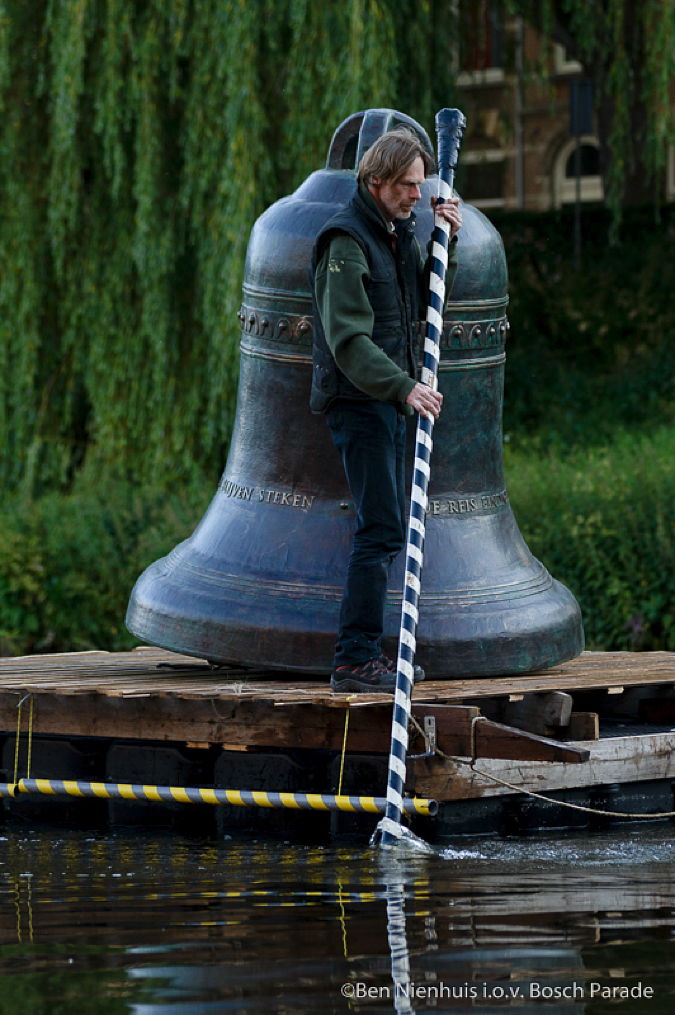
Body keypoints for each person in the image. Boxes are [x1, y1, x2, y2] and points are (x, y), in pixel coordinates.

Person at [310, 127, 462, 693]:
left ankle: (365, 655)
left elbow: (418, 300)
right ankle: (354, 660)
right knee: (380, 531)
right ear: (375, 182)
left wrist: (446, 239)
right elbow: (348, 341)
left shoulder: (395, 234)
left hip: (388, 402)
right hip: (361, 402)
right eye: (405, 187)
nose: (415, 197)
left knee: (386, 528)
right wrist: (404, 388)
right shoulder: (345, 242)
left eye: (420, 186)